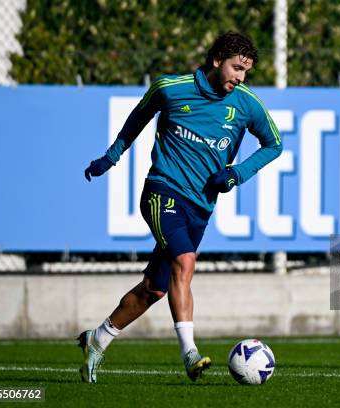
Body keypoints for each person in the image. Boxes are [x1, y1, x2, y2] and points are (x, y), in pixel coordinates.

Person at [79, 31, 282, 383]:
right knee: (185, 260)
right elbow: (138, 118)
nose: (240, 77)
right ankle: (189, 353)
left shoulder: (246, 103)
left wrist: (237, 173)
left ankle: (98, 339)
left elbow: (274, 144)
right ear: (217, 59)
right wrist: (111, 157)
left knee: (155, 289)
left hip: (200, 207)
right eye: (236, 68)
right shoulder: (171, 88)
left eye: (246, 71)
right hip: (162, 191)